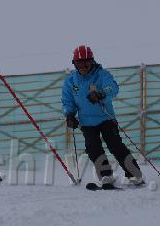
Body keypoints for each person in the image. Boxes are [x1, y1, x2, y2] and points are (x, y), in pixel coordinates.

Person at [62, 45, 144, 187]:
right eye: (79, 64)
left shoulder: (102, 75)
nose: (83, 67)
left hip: (106, 118)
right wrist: (69, 114)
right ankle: (106, 176)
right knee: (93, 149)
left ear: (92, 61)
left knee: (116, 146)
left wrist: (101, 94)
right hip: (87, 122)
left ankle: (135, 175)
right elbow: (68, 101)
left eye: (86, 63)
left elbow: (113, 88)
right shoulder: (71, 81)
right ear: (74, 64)